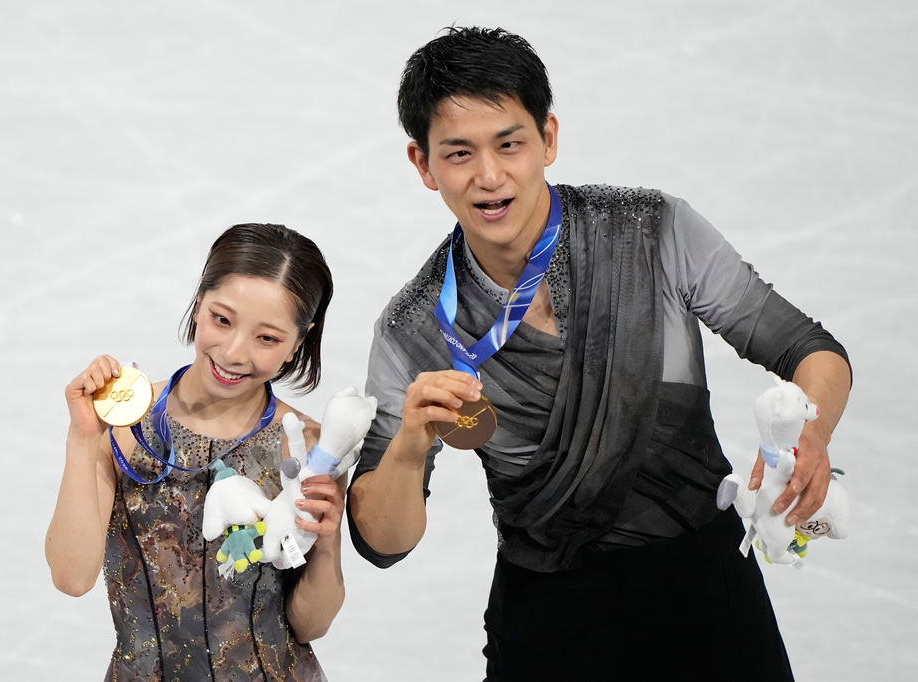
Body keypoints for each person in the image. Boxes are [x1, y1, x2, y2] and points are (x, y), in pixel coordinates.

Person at [346, 27, 852, 680]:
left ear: (548, 138)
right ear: (424, 165)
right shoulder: (415, 326)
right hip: (553, 624)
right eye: (460, 153)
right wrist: (412, 440)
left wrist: (812, 431)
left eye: (510, 144)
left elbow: (810, 348)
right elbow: (382, 543)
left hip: (709, 596)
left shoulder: (654, 232)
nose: (490, 176)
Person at [46, 223, 341, 681]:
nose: (234, 352)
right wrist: (84, 441)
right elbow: (71, 577)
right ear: (199, 302)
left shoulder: (307, 445)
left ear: (298, 341)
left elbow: (311, 623)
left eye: (267, 338)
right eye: (221, 320)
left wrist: (326, 541)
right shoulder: (124, 431)